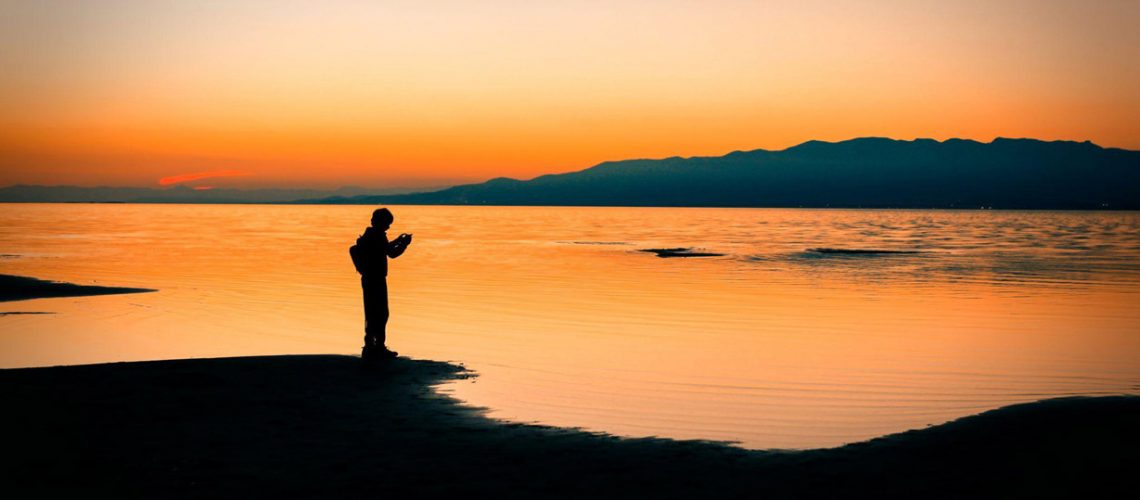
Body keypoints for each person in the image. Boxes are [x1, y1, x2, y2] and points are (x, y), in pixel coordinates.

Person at [351, 208, 412, 361]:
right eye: (387, 223)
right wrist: (404, 244)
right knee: (380, 313)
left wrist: (398, 240)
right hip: (376, 279)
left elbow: (385, 249)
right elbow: (391, 253)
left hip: (369, 278)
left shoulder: (371, 235)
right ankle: (376, 348)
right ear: (381, 222)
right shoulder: (377, 236)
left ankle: (371, 347)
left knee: (372, 313)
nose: (388, 227)